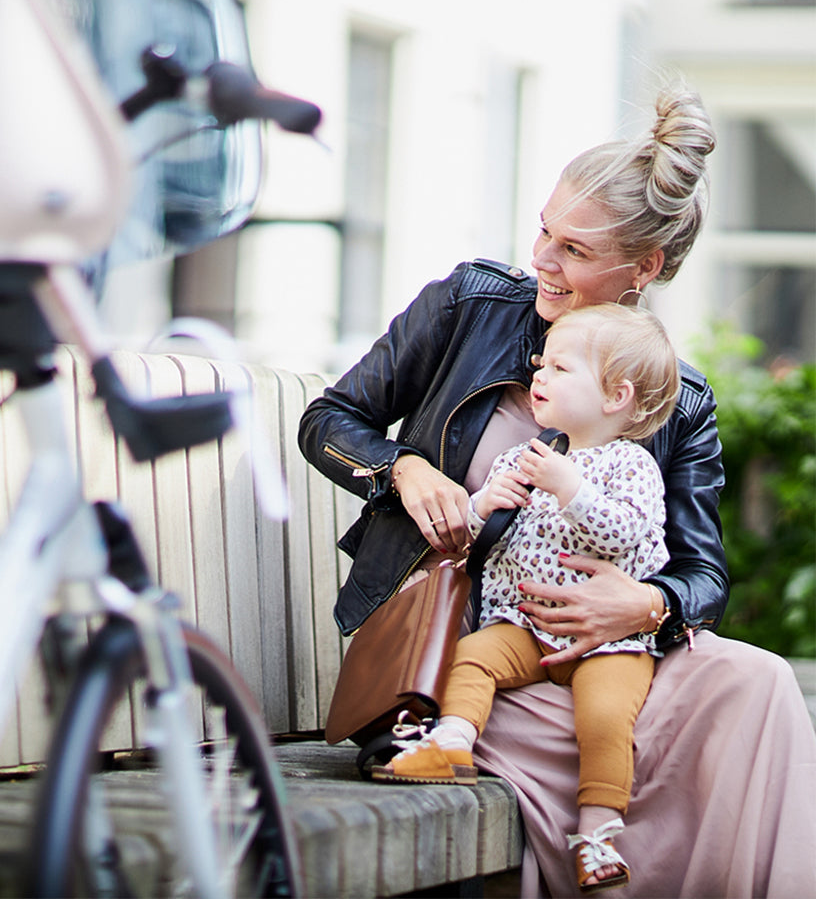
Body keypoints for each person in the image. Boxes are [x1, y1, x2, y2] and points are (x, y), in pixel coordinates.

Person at [298, 81, 816, 898]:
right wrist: (403, 470)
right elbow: (330, 418)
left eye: (574, 250)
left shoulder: (677, 402)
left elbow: (703, 578)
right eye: (546, 229)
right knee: (604, 737)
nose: (542, 258)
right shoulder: (468, 306)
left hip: (602, 652)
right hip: (462, 654)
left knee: (760, 684)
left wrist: (645, 606)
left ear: (644, 267)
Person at [372, 304, 683, 893]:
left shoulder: (630, 464)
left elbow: (627, 534)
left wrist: (572, 489)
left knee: (607, 717)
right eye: (541, 363)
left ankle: (596, 832)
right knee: (474, 656)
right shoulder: (525, 457)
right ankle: (453, 742)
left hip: (609, 640)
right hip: (522, 622)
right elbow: (478, 535)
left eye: (560, 368)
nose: (538, 375)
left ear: (615, 395)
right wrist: (485, 504)